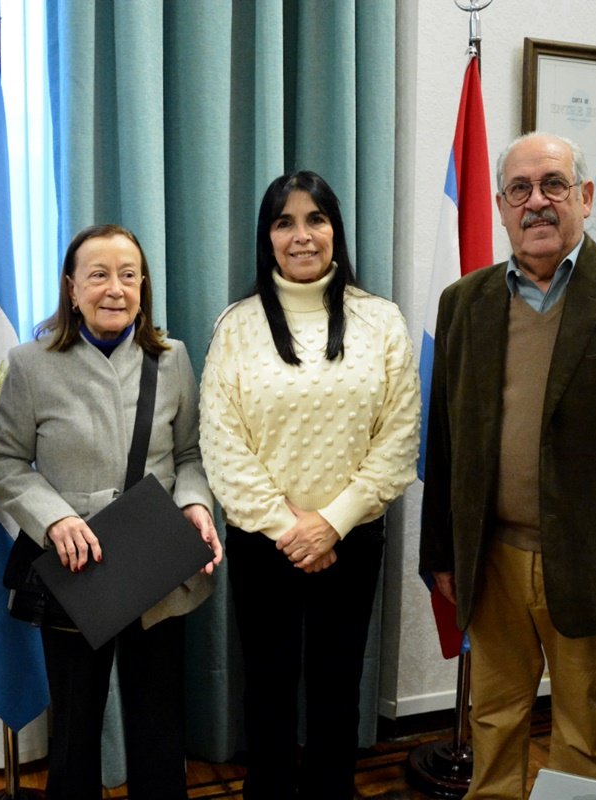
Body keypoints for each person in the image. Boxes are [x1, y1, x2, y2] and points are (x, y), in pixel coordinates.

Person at [419, 131, 596, 799]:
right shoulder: (466, 301)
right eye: (519, 189)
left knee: (583, 735)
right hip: (491, 561)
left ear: (586, 195)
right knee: (491, 720)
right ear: (500, 206)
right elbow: (446, 439)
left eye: (553, 184)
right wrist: (442, 553)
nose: (537, 202)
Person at [0, 223, 223, 800]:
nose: (115, 288)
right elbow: (5, 462)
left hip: (157, 566)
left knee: (159, 729)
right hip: (78, 570)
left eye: (128, 275)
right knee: (74, 732)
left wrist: (194, 504)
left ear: (144, 286)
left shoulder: (173, 358)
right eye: (98, 275)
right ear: (71, 287)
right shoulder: (32, 364)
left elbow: (191, 454)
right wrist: (54, 519)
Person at [199, 171, 421, 799]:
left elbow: (399, 436)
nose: (302, 236)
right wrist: (288, 527)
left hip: (352, 538)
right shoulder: (236, 326)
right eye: (284, 222)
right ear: (267, 237)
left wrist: (333, 521)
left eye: (316, 219)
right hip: (262, 542)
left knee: (337, 681)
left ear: (335, 230)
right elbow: (221, 442)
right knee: (266, 684)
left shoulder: (380, 321)